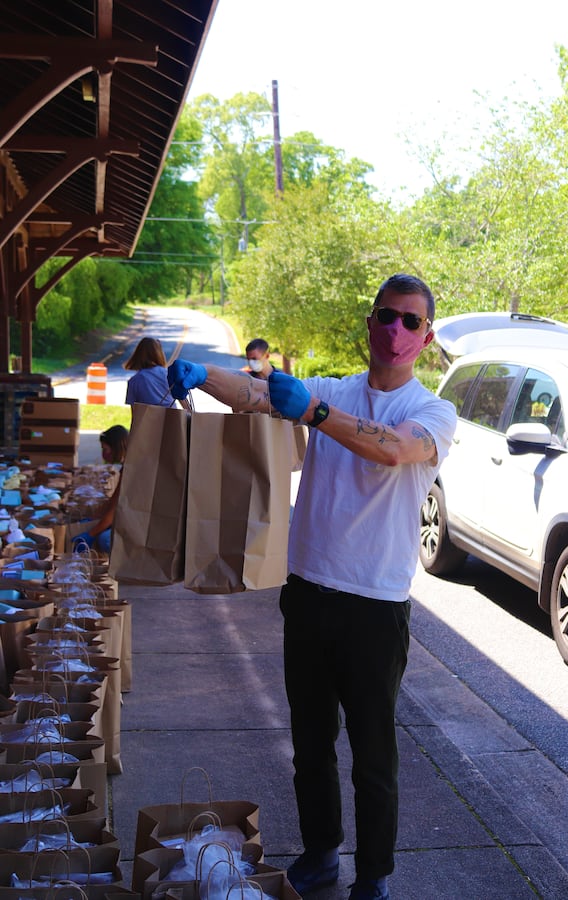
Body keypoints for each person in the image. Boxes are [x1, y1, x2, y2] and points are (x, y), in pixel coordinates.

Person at [167, 273, 457, 900]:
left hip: (376, 609)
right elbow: (253, 393)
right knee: (310, 746)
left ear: (426, 336)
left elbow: (396, 452)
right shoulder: (331, 389)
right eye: (387, 315)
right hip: (308, 593)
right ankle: (322, 853)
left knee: (374, 758)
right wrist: (199, 374)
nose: (396, 330)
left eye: (411, 321)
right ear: (370, 322)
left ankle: (374, 875)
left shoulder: (433, 412)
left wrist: (315, 413)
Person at [72, 425, 128, 554]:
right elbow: (114, 499)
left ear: (116, 447)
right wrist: (93, 517)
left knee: (105, 539)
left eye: (105, 449)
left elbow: (113, 512)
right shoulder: (126, 467)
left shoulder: (132, 469)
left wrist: (90, 534)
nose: (104, 453)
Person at [124, 336, 172, 407]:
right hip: (172, 415)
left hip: (148, 417)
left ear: (137, 355)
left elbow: (135, 413)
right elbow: (182, 397)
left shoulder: (134, 381)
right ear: (159, 354)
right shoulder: (168, 374)